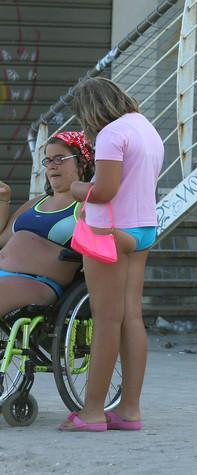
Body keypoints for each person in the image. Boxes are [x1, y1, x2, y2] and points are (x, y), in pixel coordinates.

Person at [60, 77, 163, 432]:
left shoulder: (111, 134)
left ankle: (92, 412)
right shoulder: (146, 128)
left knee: (105, 321)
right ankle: (130, 410)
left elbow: (104, 191)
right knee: (131, 317)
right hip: (142, 229)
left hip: (109, 233)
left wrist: (74, 187)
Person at [0, 132, 94, 316]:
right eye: (48, 160)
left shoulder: (86, 206)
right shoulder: (35, 203)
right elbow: (2, 239)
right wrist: (3, 200)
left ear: (82, 162)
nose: (52, 165)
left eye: (59, 159)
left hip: (37, 282)